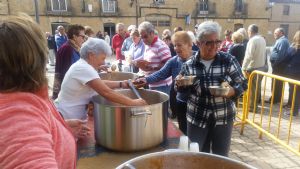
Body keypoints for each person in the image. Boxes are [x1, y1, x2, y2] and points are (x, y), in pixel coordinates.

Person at [0, 14, 88, 169]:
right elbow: (23, 132)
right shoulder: (18, 115)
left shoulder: (24, 97)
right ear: (36, 58)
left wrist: (59, 128)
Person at [177, 21, 247, 156]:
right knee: (196, 155)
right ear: (198, 43)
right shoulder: (189, 64)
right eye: (209, 42)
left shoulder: (228, 60)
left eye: (217, 41)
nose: (214, 46)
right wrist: (180, 84)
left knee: (220, 157)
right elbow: (182, 92)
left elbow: (243, 84)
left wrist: (232, 91)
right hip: (197, 116)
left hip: (223, 117)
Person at [55, 38, 147, 120]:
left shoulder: (83, 66)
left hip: (71, 116)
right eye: (102, 58)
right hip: (66, 116)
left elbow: (99, 83)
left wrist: (122, 83)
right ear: (91, 55)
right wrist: (132, 102)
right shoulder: (84, 68)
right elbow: (106, 92)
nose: (103, 62)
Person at [136, 31, 195, 135]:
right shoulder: (174, 61)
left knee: (195, 131)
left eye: (179, 45)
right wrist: (145, 80)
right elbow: (160, 74)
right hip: (181, 102)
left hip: (197, 103)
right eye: (175, 45)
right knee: (184, 131)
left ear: (190, 44)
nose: (176, 48)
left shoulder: (199, 59)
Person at [136, 21, 172, 94]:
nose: (143, 40)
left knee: (160, 105)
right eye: (141, 37)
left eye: (145, 36)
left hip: (162, 85)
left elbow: (169, 66)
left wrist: (152, 68)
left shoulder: (161, 46)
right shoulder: (147, 45)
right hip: (152, 83)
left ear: (152, 33)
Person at [52, 24, 86, 99]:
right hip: (68, 92)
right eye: (82, 37)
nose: (84, 39)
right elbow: (72, 72)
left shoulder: (72, 47)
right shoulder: (68, 49)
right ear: (74, 36)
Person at [242, 24, 267, 112]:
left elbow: (249, 55)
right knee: (257, 88)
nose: (248, 33)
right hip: (261, 67)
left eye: (248, 31)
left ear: (250, 31)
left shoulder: (252, 40)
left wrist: (243, 67)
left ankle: (252, 107)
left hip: (252, 68)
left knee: (252, 89)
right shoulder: (262, 39)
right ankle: (255, 105)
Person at [268, 28, 290, 104]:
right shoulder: (281, 40)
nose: (274, 34)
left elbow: (281, 55)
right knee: (277, 83)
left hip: (278, 66)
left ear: (281, 33)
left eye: (275, 33)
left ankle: (275, 99)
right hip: (279, 66)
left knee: (276, 83)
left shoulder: (282, 41)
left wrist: (275, 64)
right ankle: (275, 98)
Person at [281, 31, 300, 116]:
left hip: (293, 74)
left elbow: (285, 59)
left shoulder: (293, 49)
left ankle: (294, 111)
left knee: (295, 92)